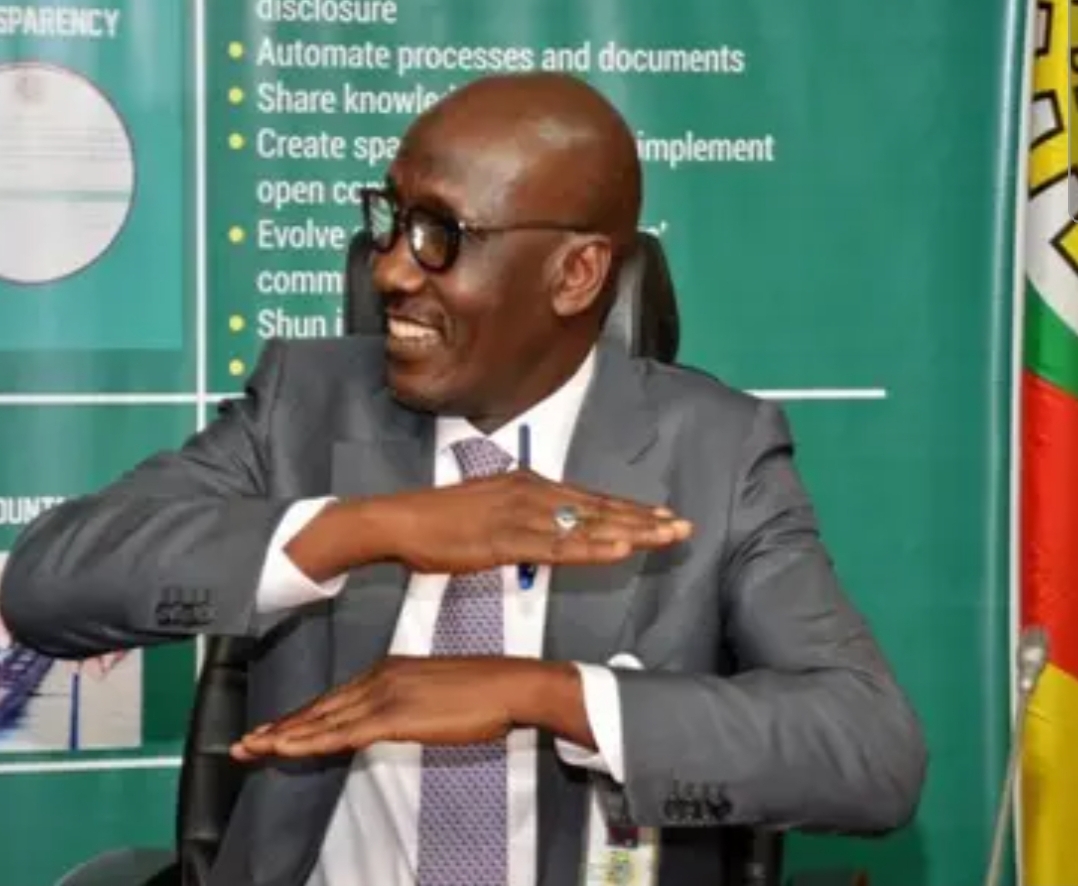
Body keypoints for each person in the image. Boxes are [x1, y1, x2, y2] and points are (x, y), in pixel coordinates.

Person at [0, 72, 926, 886]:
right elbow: (46, 584)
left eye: (440, 233)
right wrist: (371, 528)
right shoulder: (308, 405)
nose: (391, 269)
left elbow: (872, 750)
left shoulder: (715, 454)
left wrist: (542, 694)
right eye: (391, 219)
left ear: (576, 274)